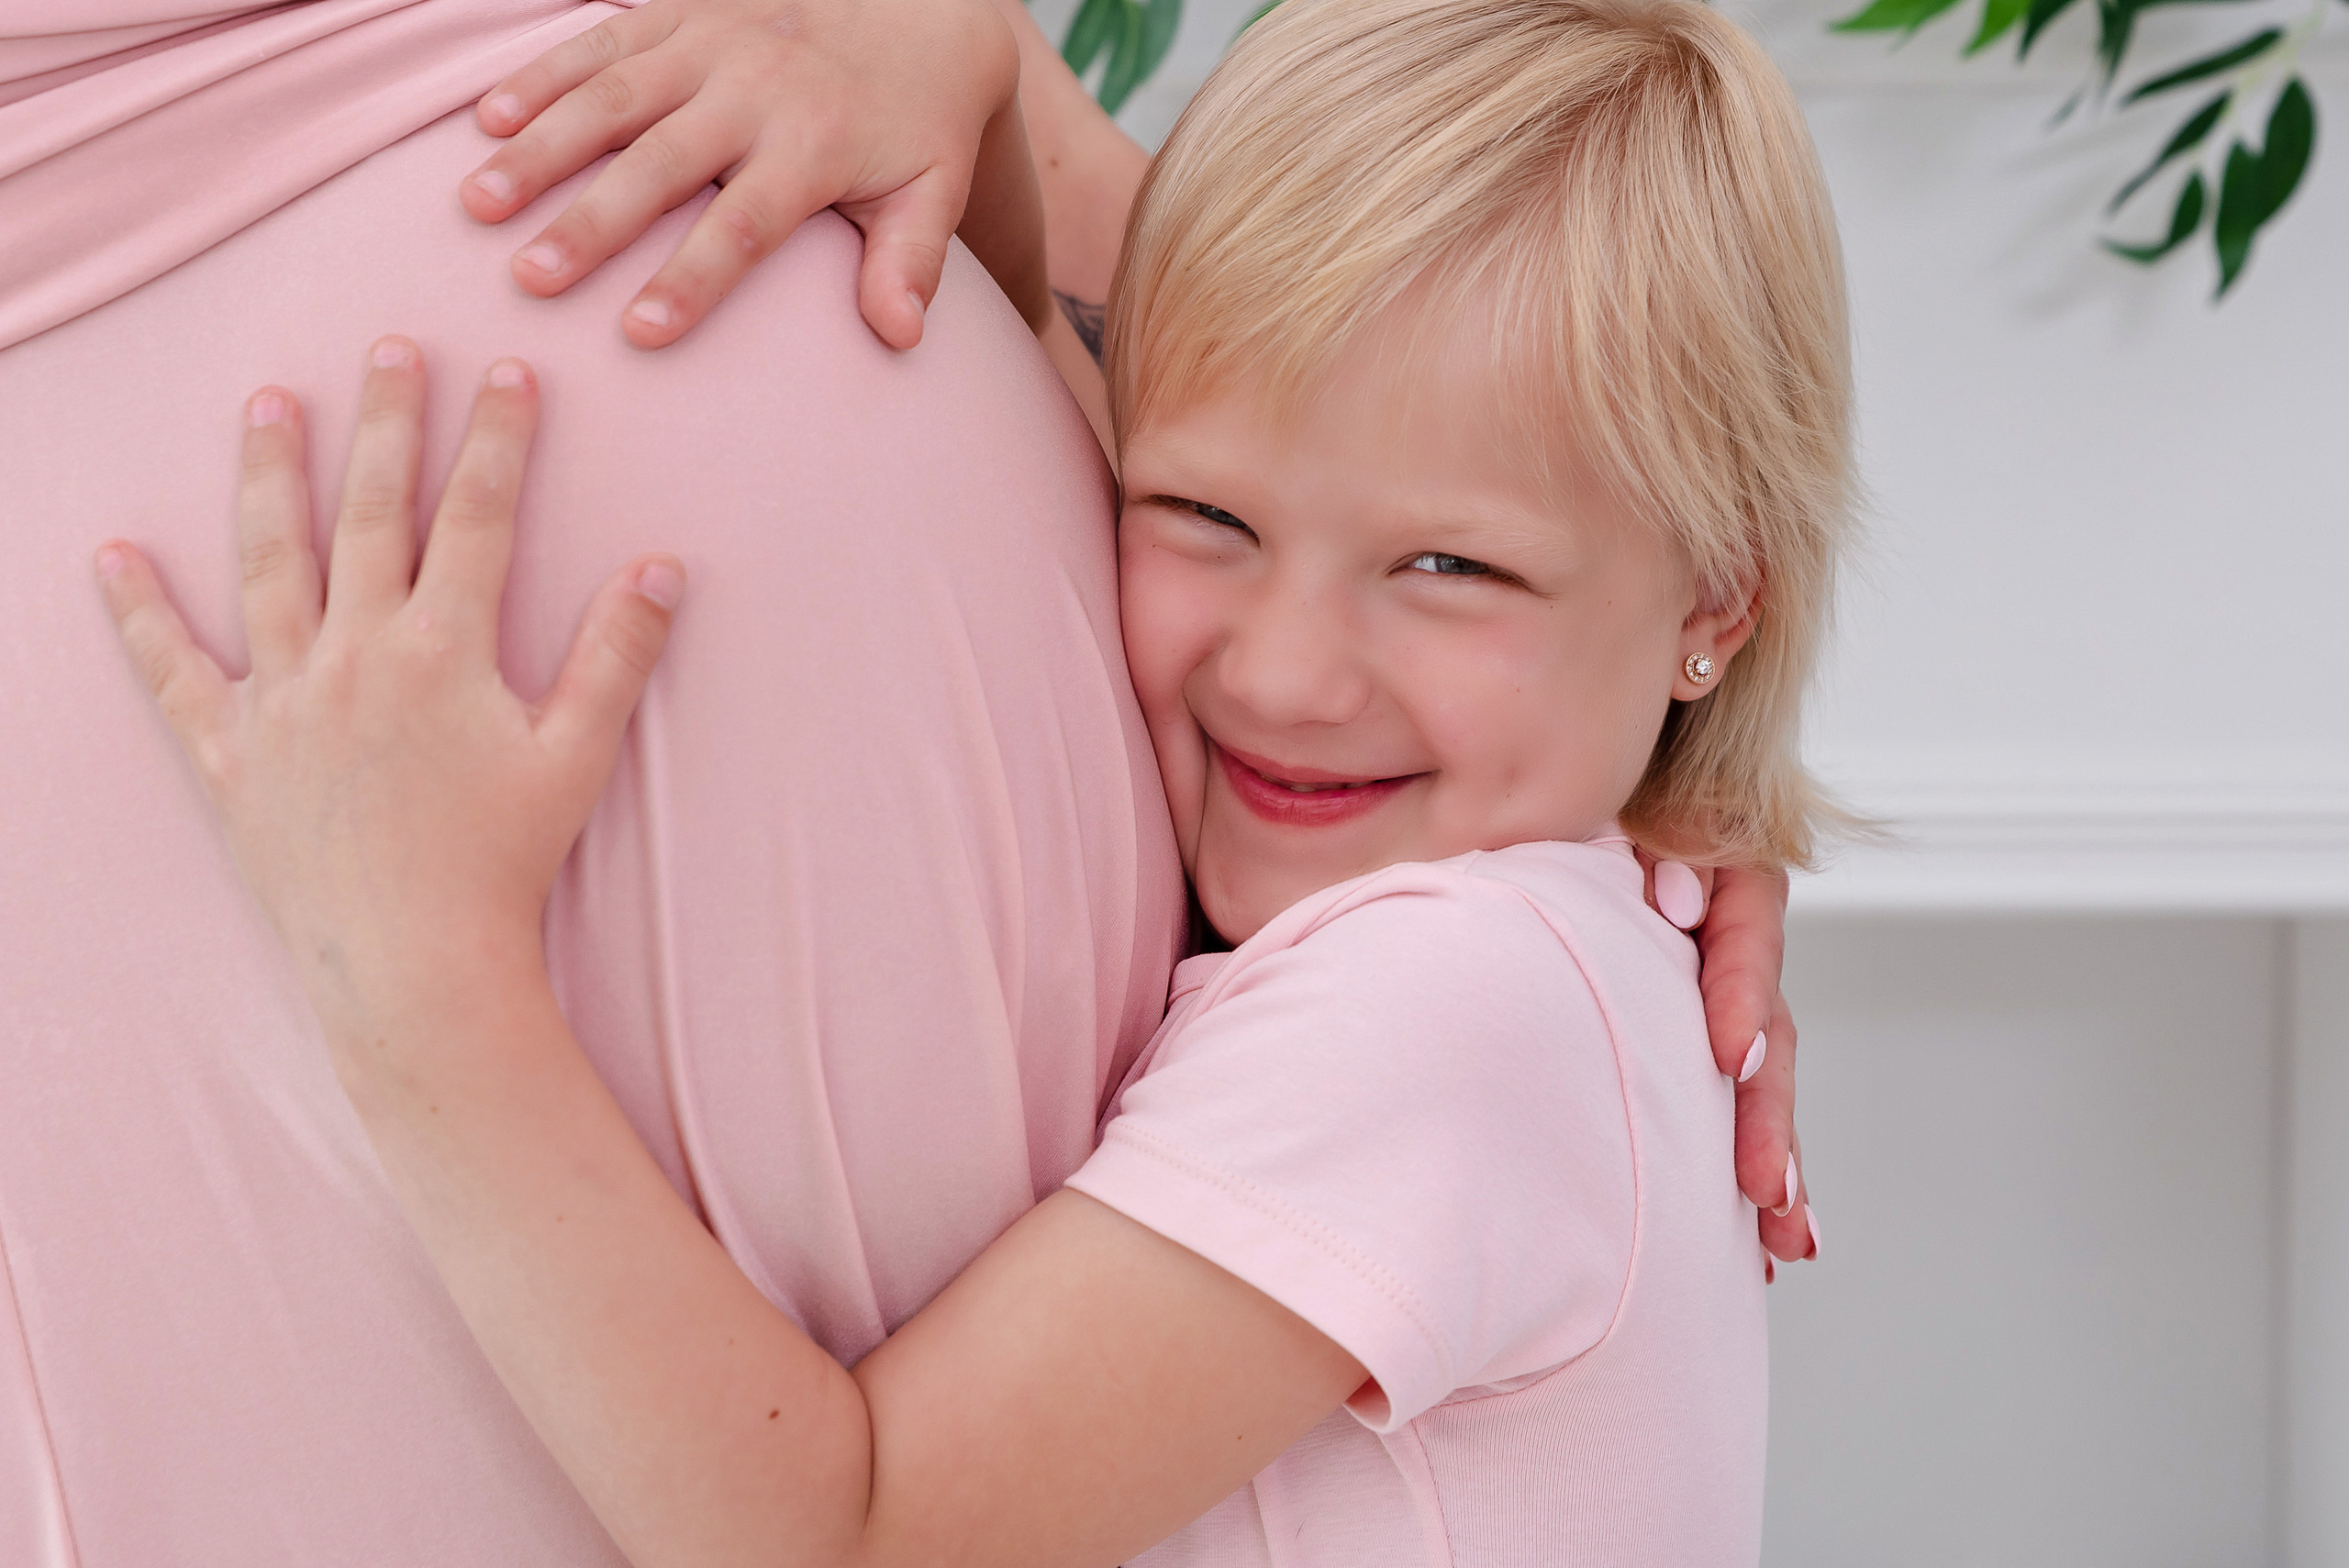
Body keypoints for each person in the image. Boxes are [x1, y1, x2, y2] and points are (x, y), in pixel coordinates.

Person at [95, 0, 1844, 1561]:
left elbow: (856, 1545)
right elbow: (1064, 342)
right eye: (1202, 516)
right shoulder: (1532, 940)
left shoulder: (1463, 999)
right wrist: (977, 84)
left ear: (1714, 602)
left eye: (1456, 572)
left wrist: (417, 972)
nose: (1285, 671)